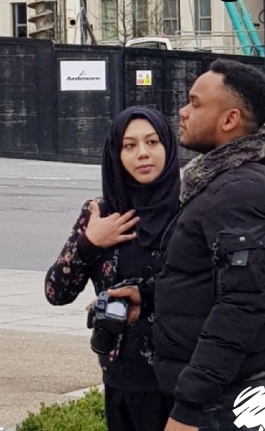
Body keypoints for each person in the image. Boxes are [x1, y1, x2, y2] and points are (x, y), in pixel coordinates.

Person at [110, 59, 265, 431]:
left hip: (231, 401)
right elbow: (209, 278)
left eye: (195, 103)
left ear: (229, 120)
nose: (182, 111)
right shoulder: (221, 182)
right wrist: (146, 295)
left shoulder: (240, 191)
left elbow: (241, 306)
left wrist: (189, 409)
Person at [45, 106, 180, 431]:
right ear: (116, 154)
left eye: (152, 142)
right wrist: (90, 241)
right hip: (125, 379)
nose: (143, 154)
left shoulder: (189, 209)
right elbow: (56, 292)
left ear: (168, 147)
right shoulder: (101, 213)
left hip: (183, 378)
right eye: (129, 146)